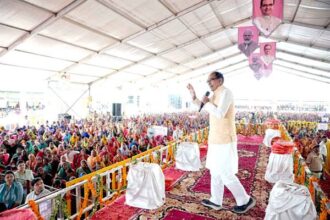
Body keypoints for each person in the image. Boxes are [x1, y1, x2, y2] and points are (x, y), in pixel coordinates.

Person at [187, 71, 256, 214]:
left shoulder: (226, 93)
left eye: (211, 80)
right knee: (215, 171)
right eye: (207, 81)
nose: (209, 83)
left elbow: (219, 113)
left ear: (219, 80)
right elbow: (204, 105)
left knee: (225, 173)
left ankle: (245, 200)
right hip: (215, 139)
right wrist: (194, 96)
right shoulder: (214, 95)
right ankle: (216, 200)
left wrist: (206, 103)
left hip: (225, 139)